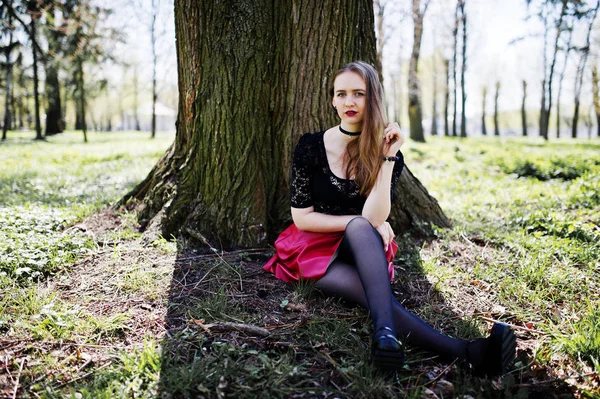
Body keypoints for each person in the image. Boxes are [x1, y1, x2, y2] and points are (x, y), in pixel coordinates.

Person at [264, 61, 516, 375]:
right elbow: (302, 218)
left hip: (361, 246)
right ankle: (462, 350)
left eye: (359, 93)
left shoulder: (387, 151)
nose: (349, 102)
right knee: (374, 292)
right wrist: (358, 223)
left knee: (362, 238)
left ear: (372, 99)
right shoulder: (310, 147)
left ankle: (390, 336)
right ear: (332, 100)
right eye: (341, 94)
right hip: (311, 247)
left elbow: (372, 216)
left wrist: (386, 158)